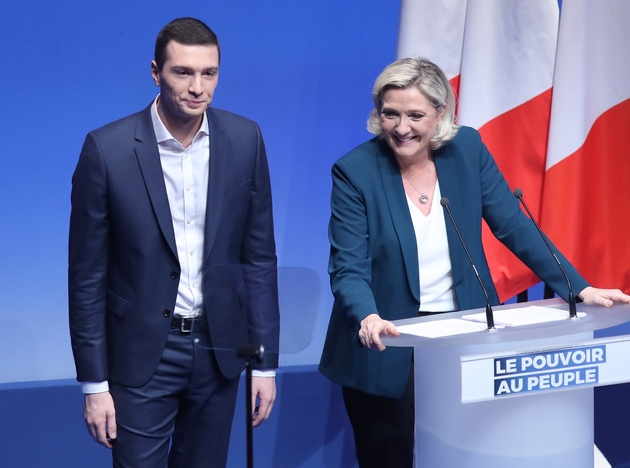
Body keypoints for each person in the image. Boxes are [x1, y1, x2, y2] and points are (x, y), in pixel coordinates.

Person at [318, 57, 630, 468]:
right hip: (389, 341)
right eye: (390, 113)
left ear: (440, 112)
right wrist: (368, 315)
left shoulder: (466, 148)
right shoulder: (356, 171)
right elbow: (348, 266)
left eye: (415, 115)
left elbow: (514, 228)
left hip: (462, 339)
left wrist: (579, 286)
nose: (401, 127)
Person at [68, 17, 279, 467]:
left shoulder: (245, 140)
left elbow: (258, 258)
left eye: (210, 73)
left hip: (219, 352)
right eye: (183, 72)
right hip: (141, 355)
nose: (198, 87)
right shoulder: (107, 149)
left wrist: (264, 363)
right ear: (155, 72)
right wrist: (94, 384)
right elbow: (86, 276)